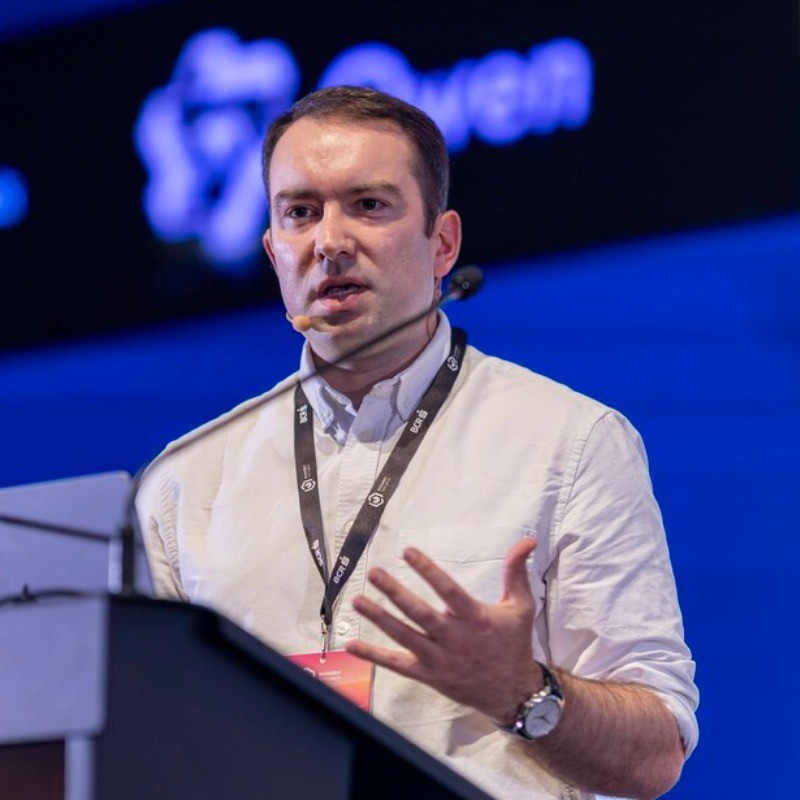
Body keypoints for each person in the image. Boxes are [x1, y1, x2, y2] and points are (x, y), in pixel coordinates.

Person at [139, 86, 698, 800]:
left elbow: (653, 757)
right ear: (274, 250)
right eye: (300, 212)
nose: (329, 241)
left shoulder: (571, 442)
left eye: (369, 205)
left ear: (443, 244)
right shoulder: (185, 479)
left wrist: (520, 691)